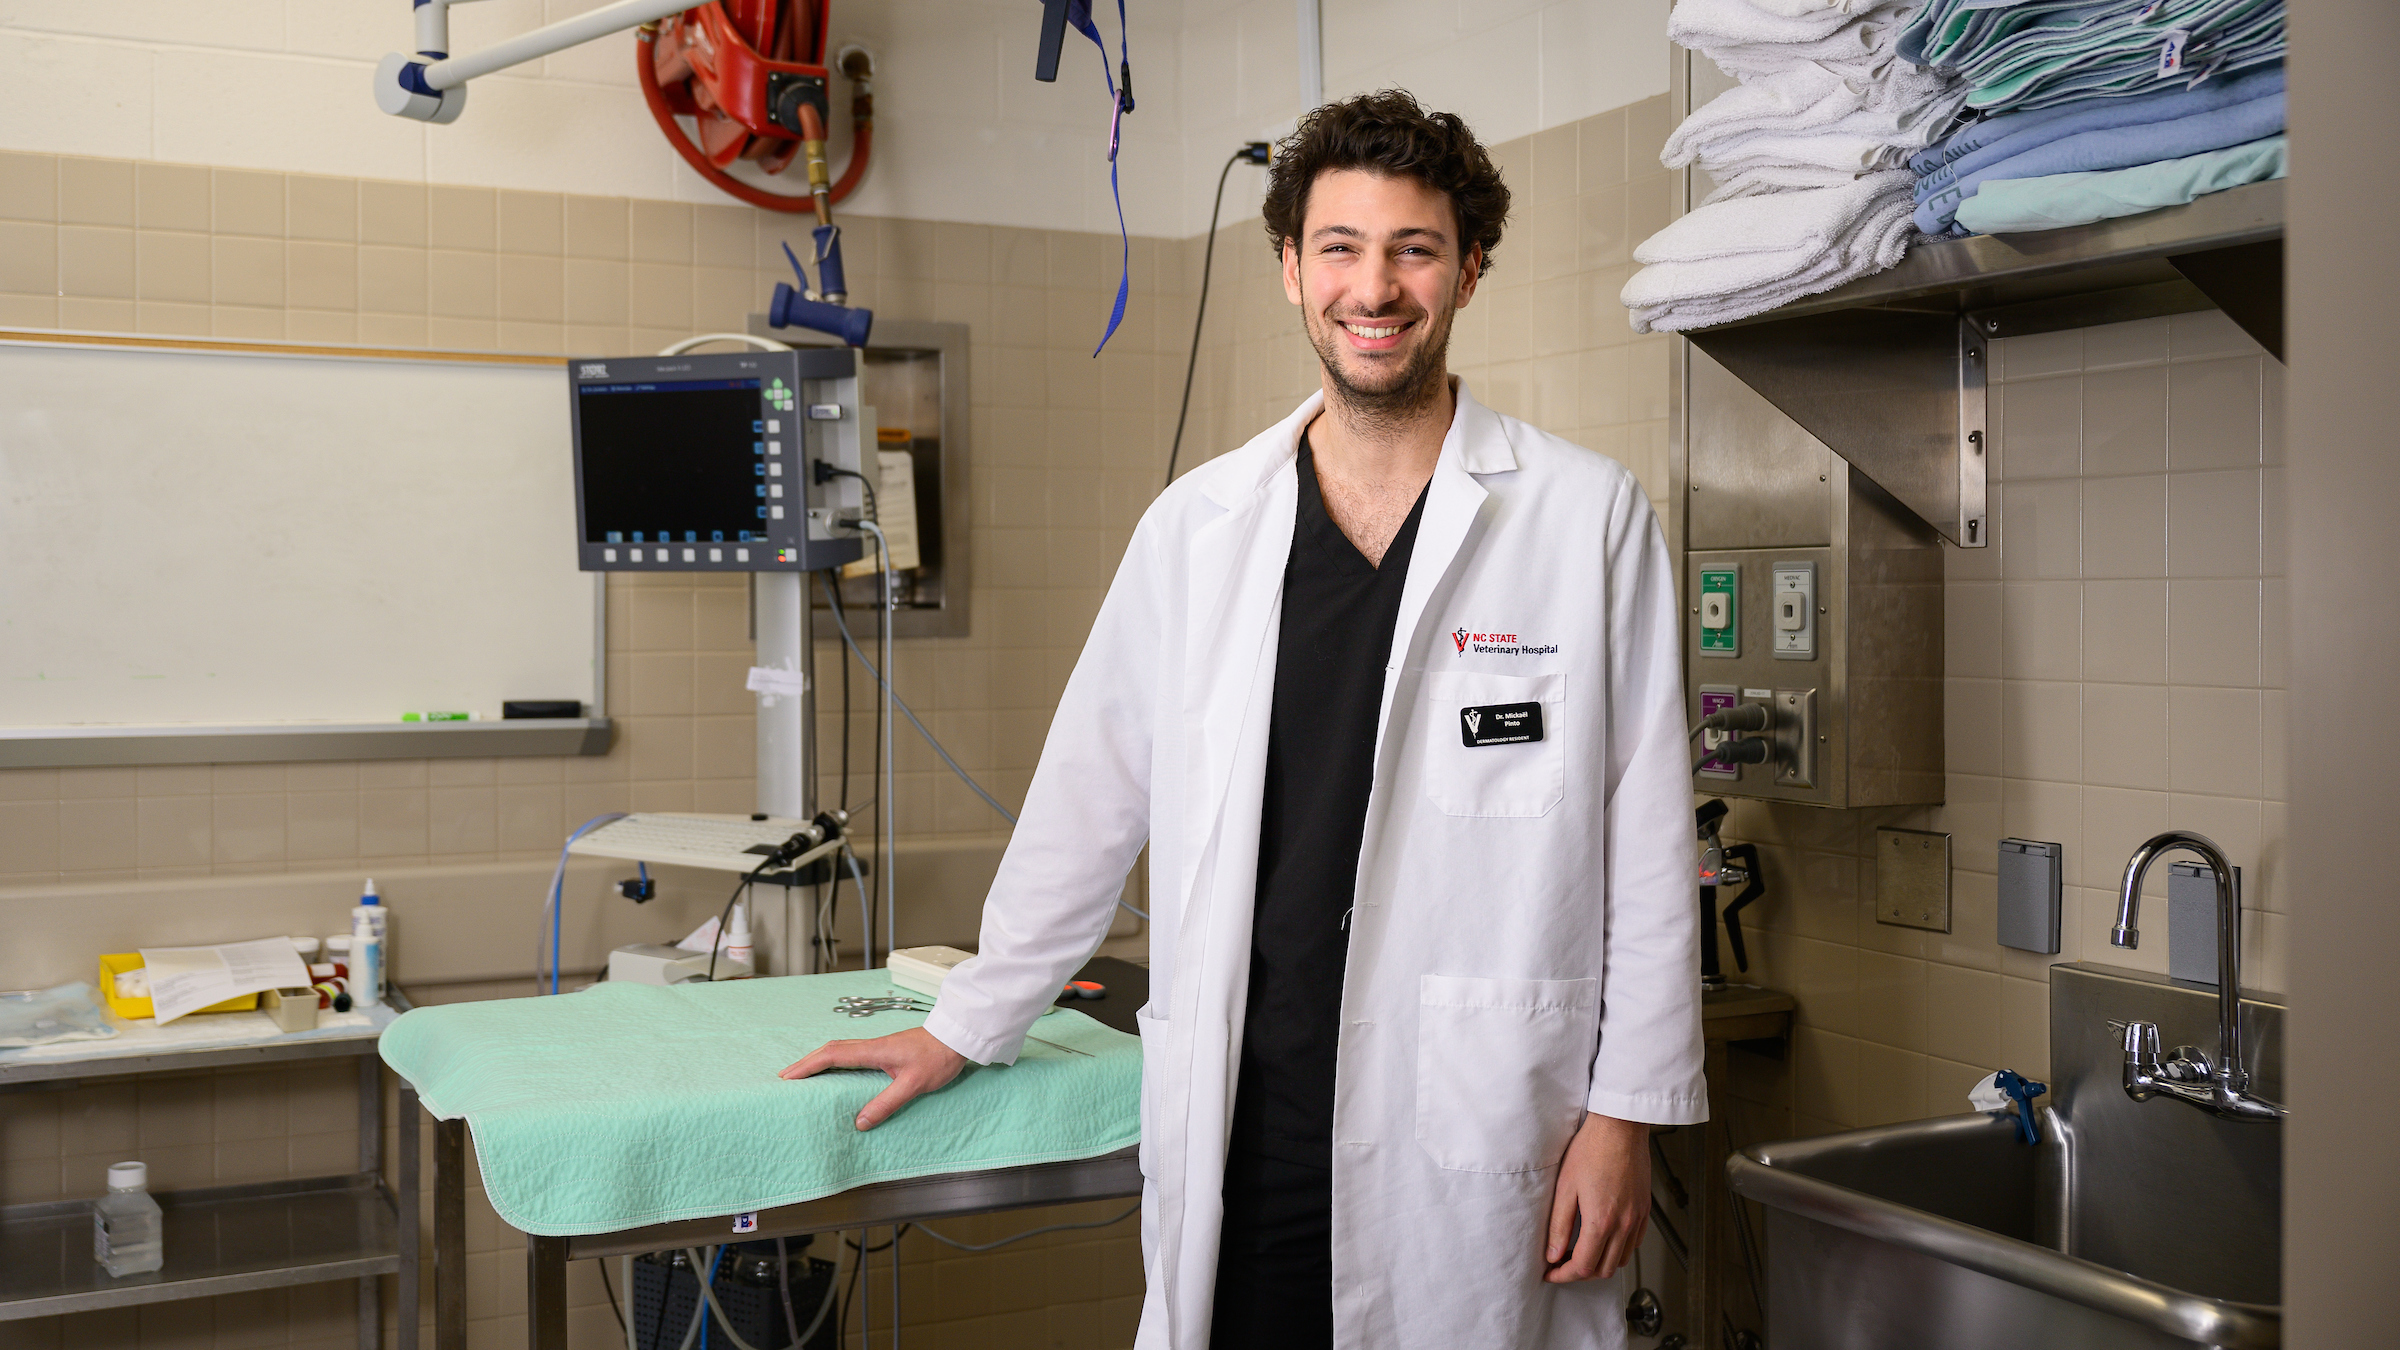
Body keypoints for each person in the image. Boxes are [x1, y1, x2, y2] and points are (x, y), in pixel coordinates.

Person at [782, 89, 1704, 1350]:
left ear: (1469, 269)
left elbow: (1647, 840)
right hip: (1249, 1121)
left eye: (1413, 250)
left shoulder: (1585, 519)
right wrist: (967, 1024)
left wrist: (1625, 1116)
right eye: (1339, 248)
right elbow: (1088, 801)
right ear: (1289, 269)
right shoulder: (1198, 529)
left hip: (1488, 1127)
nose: (1372, 288)